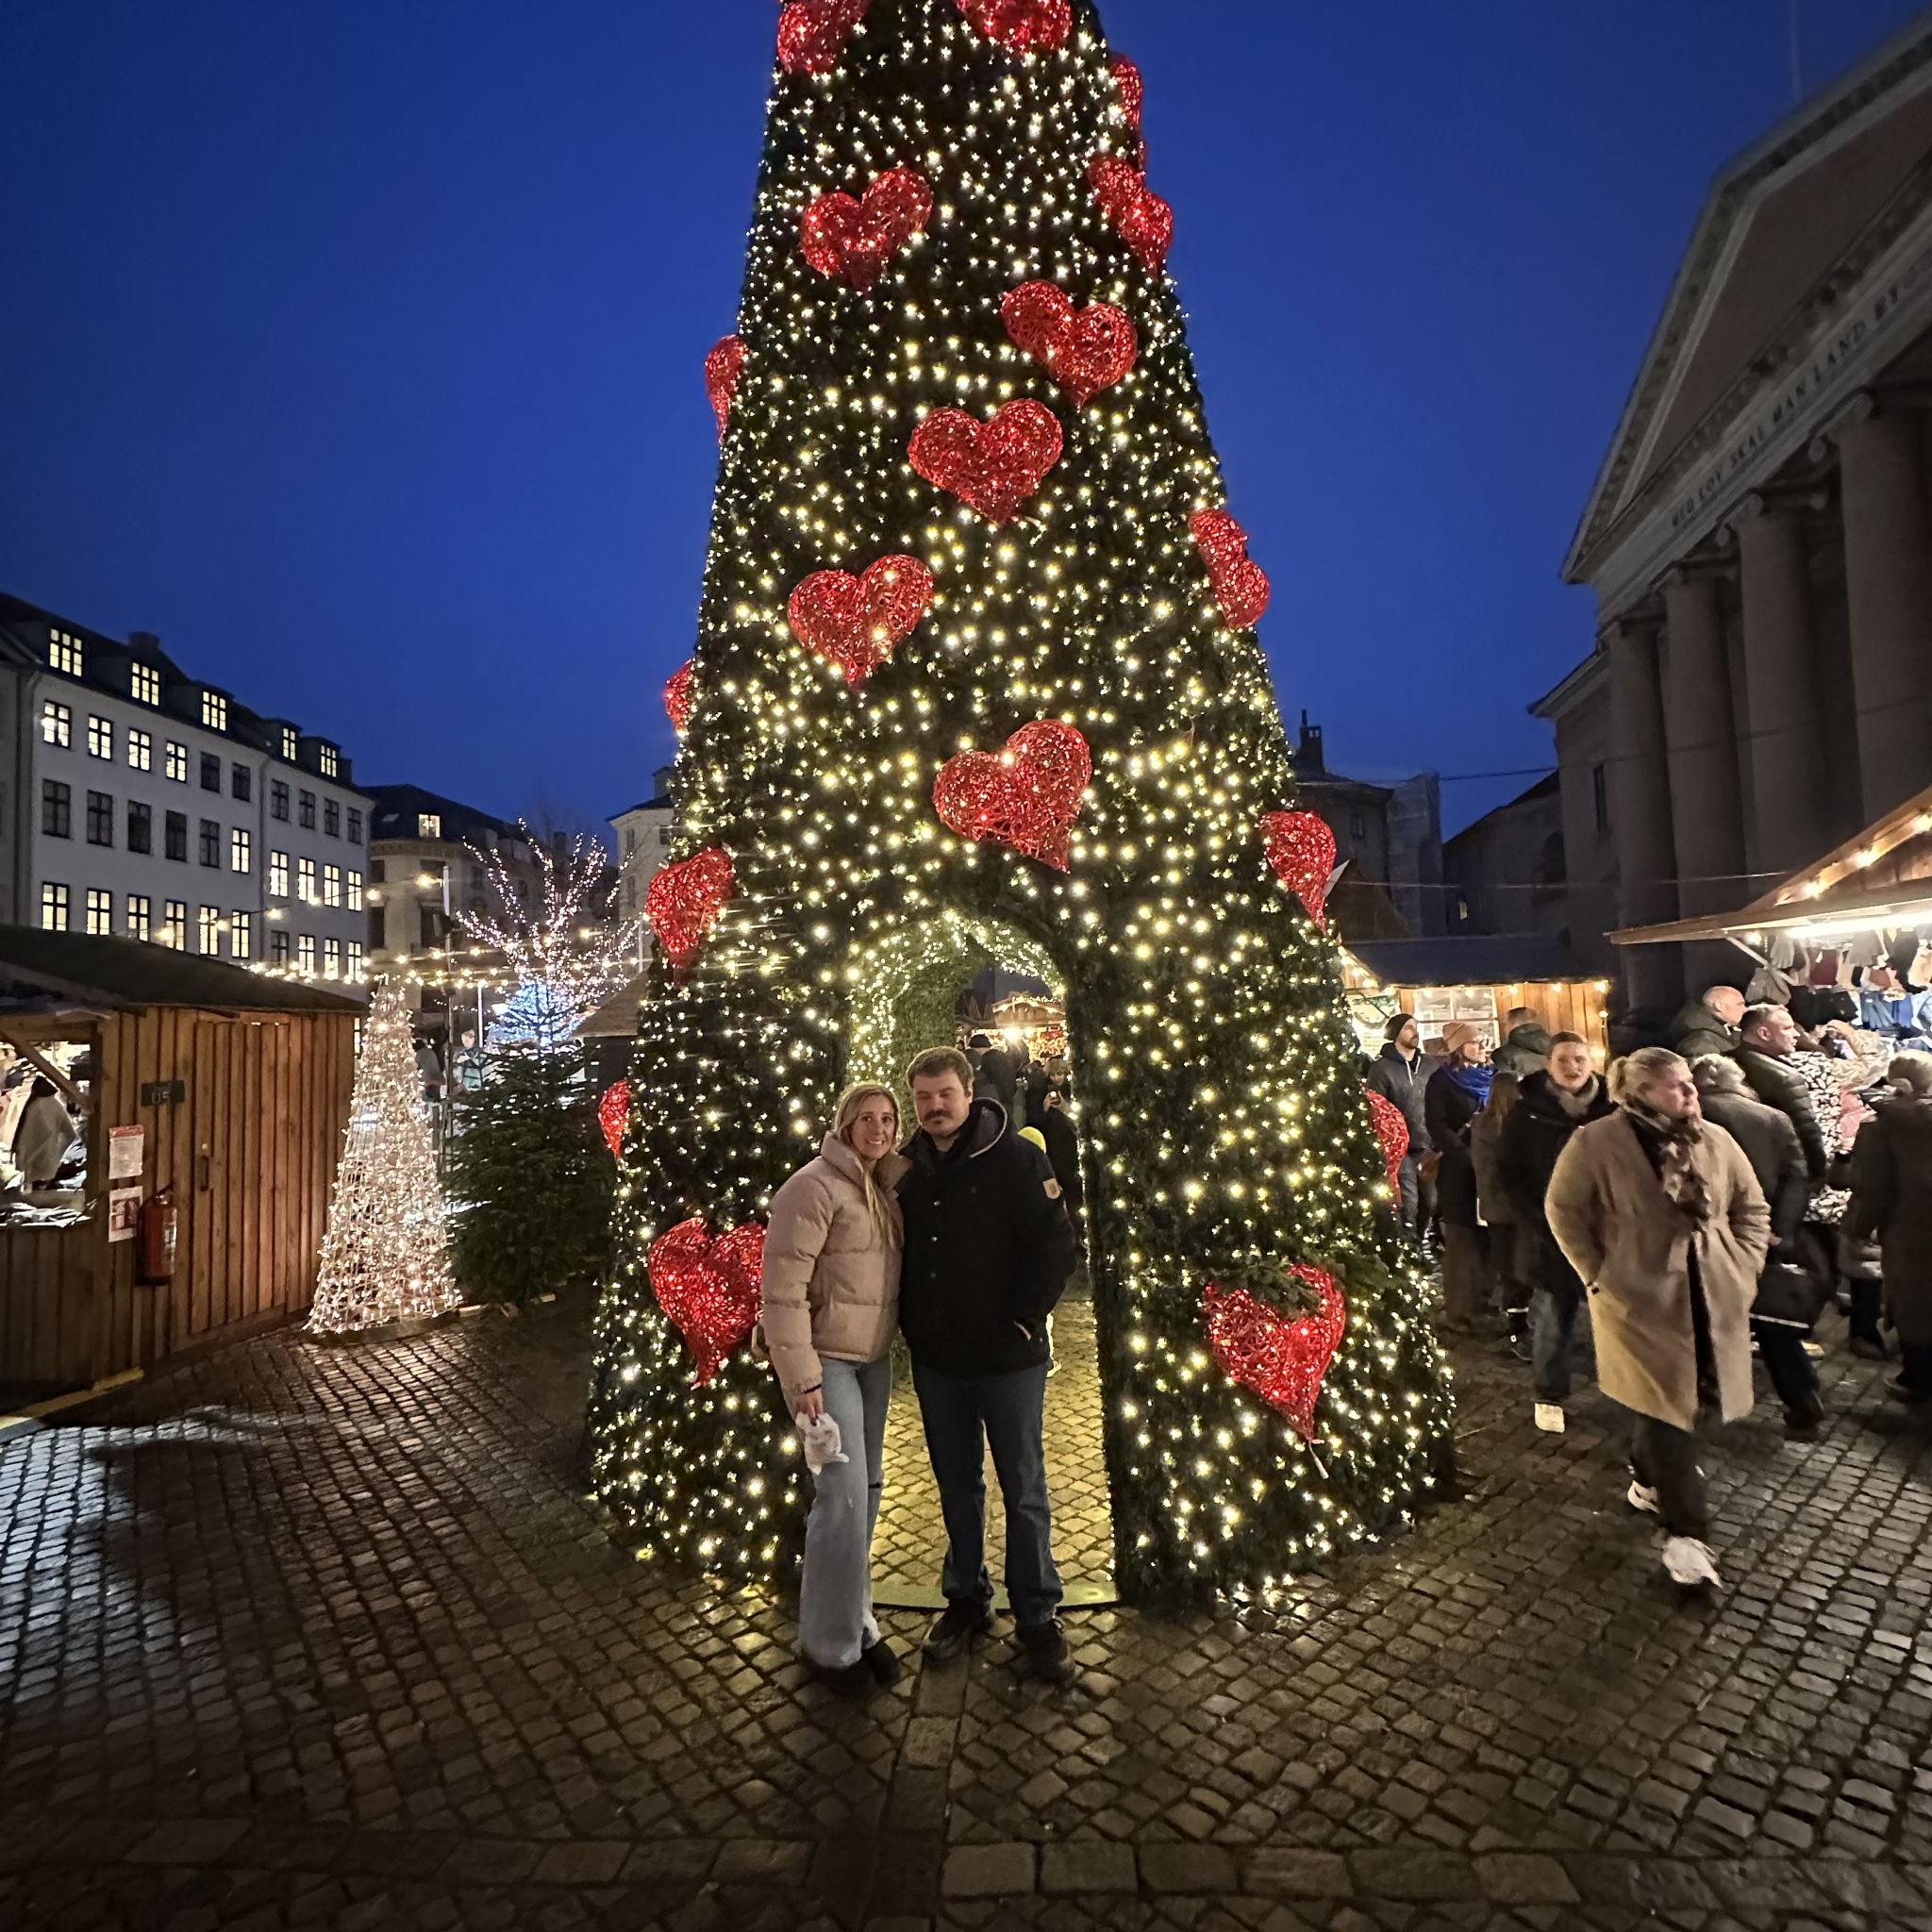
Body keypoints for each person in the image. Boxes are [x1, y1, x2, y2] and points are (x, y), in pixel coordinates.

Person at [1545, 1048, 1773, 1591]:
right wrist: (1600, 1273)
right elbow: (1564, 1209)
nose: (1689, 1093)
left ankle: (1647, 1479)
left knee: (1684, 1402)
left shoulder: (1713, 1139)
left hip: (1712, 1293)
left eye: (1689, 1082)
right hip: (1640, 1301)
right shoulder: (1597, 1143)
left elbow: (1751, 1207)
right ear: (1639, 1093)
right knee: (1669, 1411)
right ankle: (1687, 1535)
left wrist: (1744, 1265)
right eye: (1675, 1086)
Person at [897, 1046, 1078, 1682]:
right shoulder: (907, 1168)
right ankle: (966, 1599)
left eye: (944, 1093)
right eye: (922, 1097)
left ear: (969, 1093)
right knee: (957, 1485)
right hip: (939, 1359)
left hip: (1008, 1358)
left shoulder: (1017, 1157)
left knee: (1023, 1488)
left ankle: (1037, 1614)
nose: (934, 1107)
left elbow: (1057, 1241)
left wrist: (1027, 1317)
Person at [761, 1085, 908, 1693]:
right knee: (841, 1503)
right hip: (829, 1365)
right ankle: (828, 1646)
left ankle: (858, 1621)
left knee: (866, 1497)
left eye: (887, 1119)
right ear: (844, 1125)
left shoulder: (883, 1185)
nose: (877, 1128)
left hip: (872, 1362)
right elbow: (781, 1289)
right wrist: (803, 1378)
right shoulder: (814, 1186)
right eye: (865, 1119)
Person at [1692, 1058, 1824, 1436]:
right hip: (1762, 1235)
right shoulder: (1773, 1118)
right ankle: (1803, 1402)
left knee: (1700, 1314)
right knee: (1772, 1321)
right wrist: (1780, 1230)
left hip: (1710, 1233)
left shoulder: (1693, 1118)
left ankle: (1702, 1392)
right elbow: (1797, 1178)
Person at [1497, 1032, 1615, 1432]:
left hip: (1607, 1233)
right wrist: (1537, 1219)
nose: (1573, 1066)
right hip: (1549, 1233)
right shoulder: (1527, 1111)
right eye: (1564, 1059)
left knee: (1614, 1316)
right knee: (1554, 1313)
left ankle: (1622, 1388)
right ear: (1549, 1063)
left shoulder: (1611, 1110)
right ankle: (1549, 1392)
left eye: (1580, 1058)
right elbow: (1509, 1173)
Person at [1847, 1056, 1932, 1402]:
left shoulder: (1882, 1128)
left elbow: (1872, 1189)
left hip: (1910, 1228)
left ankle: (1918, 1378)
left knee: (1914, 1300)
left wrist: (1856, 1231)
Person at [1424, 1023, 1494, 1332]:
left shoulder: (1491, 1076)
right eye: (1476, 1042)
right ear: (1458, 1047)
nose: (1482, 1047)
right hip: (1458, 1171)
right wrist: (1462, 1154)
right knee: (1461, 1239)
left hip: (1487, 1170)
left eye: (1483, 1041)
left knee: (1487, 1238)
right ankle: (1459, 1311)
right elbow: (1437, 1124)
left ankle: (1484, 1302)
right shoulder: (1442, 1081)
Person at [1733, 1005, 1828, 1181]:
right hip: (1784, 1171)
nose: (1796, 1034)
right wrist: (1820, 1174)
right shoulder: (1785, 1078)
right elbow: (1807, 1131)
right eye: (1787, 1028)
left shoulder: (1728, 1061)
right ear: (1764, 1033)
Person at [1470, 1072, 1525, 1348]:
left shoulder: (1481, 1124)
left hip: (1494, 1205)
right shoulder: (1521, 1124)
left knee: (1507, 1263)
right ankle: (1522, 1319)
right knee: (1524, 1261)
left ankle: (1515, 1318)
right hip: (1521, 1206)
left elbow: (1481, 1167)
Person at [1366, 1014, 1432, 1236]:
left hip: (1428, 1143)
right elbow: (1377, 1106)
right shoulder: (1382, 1069)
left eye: (1416, 1027)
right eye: (1408, 1028)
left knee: (1431, 1201)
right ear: (1396, 1033)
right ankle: (1411, 1250)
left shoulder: (1429, 1065)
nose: (1414, 1032)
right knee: (1408, 1202)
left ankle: (1421, 1241)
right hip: (1400, 1146)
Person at [10, 1076, 76, 1189]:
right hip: (50, 1158)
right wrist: (58, 1153)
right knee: (44, 1187)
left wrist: (20, 1161)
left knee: (33, 1192)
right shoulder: (56, 1105)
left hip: (32, 1161)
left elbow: (23, 1138)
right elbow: (70, 1134)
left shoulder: (33, 1107)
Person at [1669, 986, 1746, 1064]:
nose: (1744, 1009)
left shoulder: (1724, 1030)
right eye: (1739, 1004)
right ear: (1719, 1006)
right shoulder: (1701, 1041)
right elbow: (1710, 1073)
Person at [1492, 1008, 1552, 1080]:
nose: (1504, 1029)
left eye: (1505, 1024)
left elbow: (1504, 1087)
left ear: (1515, 1024)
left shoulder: (1503, 1055)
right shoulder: (1558, 1047)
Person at [453, 1027, 488, 1094]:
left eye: (467, 1041)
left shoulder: (476, 1050)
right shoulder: (463, 1050)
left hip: (473, 1075)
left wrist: (461, 1058)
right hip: (465, 1074)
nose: (464, 1043)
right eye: (463, 1041)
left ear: (472, 1040)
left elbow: (467, 1058)